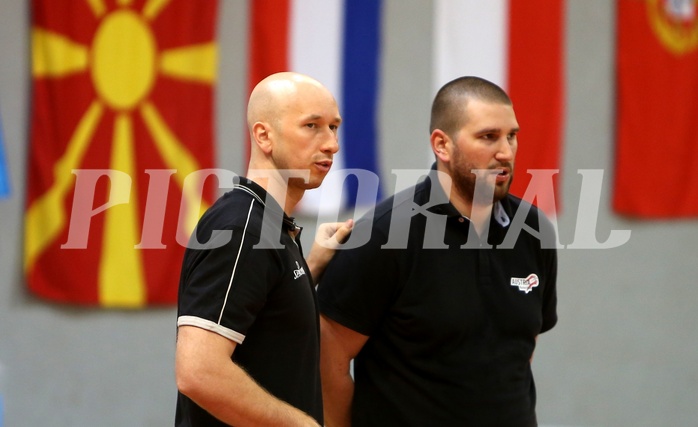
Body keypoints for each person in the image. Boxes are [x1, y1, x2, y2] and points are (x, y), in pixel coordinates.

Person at [317, 76, 558, 427]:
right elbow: (328, 361)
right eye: (488, 137)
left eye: (512, 136)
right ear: (442, 145)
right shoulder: (385, 235)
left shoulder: (534, 232)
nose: (505, 151)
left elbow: (517, 353)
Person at [175, 72, 353, 427]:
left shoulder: (272, 225)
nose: (331, 143)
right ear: (263, 135)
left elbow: (269, 310)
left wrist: (312, 264)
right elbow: (198, 371)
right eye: (312, 126)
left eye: (334, 127)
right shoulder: (241, 228)